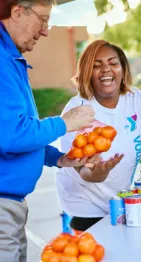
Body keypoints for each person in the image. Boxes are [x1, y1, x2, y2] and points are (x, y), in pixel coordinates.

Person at [0, 1, 96, 261]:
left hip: (12, 204)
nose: (44, 31)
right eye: (43, 20)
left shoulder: (10, 58)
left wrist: (57, 158)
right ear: (18, 12)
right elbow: (12, 134)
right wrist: (65, 123)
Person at [56, 39, 141, 232]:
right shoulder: (77, 111)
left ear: (123, 69)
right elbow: (84, 172)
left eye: (113, 63)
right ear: (87, 72)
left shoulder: (140, 100)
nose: (106, 70)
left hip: (122, 199)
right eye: (97, 66)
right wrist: (99, 171)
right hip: (85, 208)